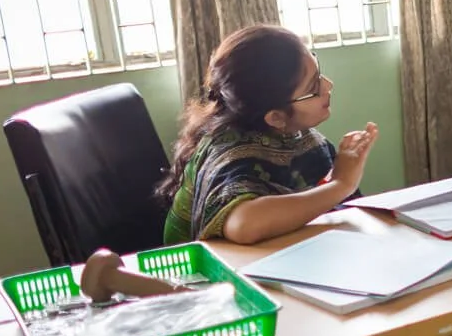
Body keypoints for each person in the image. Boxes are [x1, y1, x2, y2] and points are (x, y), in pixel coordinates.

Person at [159, 24, 378, 246]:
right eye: (313, 87)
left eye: (319, 74)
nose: (328, 85)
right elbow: (243, 224)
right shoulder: (231, 152)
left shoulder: (300, 137)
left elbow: (323, 206)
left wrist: (338, 173)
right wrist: (340, 184)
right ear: (275, 117)